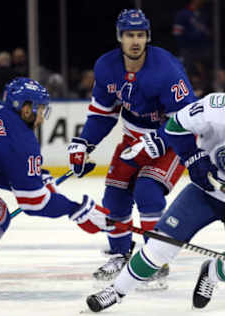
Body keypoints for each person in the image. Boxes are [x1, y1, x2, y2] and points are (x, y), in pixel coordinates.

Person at [85, 58, 225, 312]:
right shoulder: (215, 106)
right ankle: (116, 291)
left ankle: (210, 274)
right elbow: (176, 126)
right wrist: (193, 157)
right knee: (160, 247)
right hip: (206, 190)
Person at [0, 77, 113, 315]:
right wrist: (77, 208)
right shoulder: (23, 139)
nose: (41, 116)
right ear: (27, 108)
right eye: (41, 109)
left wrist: (37, 177)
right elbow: (34, 203)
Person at [67, 9, 197, 286]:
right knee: (114, 196)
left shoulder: (166, 69)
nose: (135, 41)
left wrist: (160, 140)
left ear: (147, 37)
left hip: (172, 140)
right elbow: (103, 115)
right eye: (129, 35)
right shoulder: (105, 67)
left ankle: (153, 260)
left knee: (148, 191)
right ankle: (120, 255)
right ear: (120, 37)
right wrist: (84, 143)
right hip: (133, 138)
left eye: (140, 35)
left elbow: (188, 118)